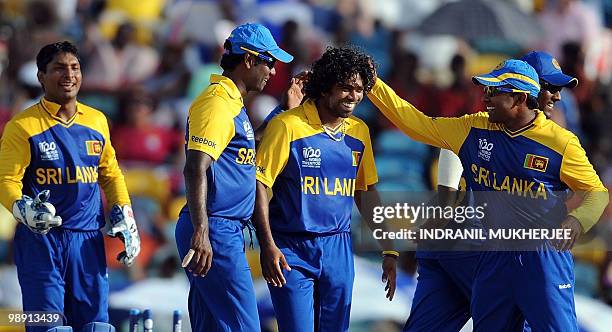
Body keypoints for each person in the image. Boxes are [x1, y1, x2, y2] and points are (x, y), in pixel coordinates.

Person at [367, 59, 608, 331]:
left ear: (519, 97)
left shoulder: (560, 142)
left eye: (494, 91)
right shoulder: (473, 127)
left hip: (541, 255)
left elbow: (596, 193)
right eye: (487, 90)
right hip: (491, 254)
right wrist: (373, 84)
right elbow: (416, 123)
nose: (485, 97)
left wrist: (577, 221)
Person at [254, 47, 398, 332]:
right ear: (324, 87)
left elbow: (366, 193)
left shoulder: (360, 131)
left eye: (359, 89)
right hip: (292, 247)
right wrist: (267, 245)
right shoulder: (287, 126)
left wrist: (389, 250)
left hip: (339, 248)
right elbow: (260, 184)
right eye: (345, 88)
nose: (353, 97)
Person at [0, 41, 140, 331]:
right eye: (59, 69)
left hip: (87, 240)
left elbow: (111, 174)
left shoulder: (97, 120)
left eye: (75, 68)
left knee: (95, 325)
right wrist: (21, 207)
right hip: (42, 241)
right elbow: (6, 180)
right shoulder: (23, 126)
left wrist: (124, 212)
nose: (69, 75)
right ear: (41, 76)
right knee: (49, 326)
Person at [174, 23, 293, 331]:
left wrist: (283, 113)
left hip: (220, 227)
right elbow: (194, 166)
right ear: (250, 60)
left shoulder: (232, 103)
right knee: (245, 327)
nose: (273, 71)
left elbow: (245, 150)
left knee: (211, 327)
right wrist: (202, 231)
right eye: (270, 61)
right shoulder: (216, 103)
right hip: (215, 227)